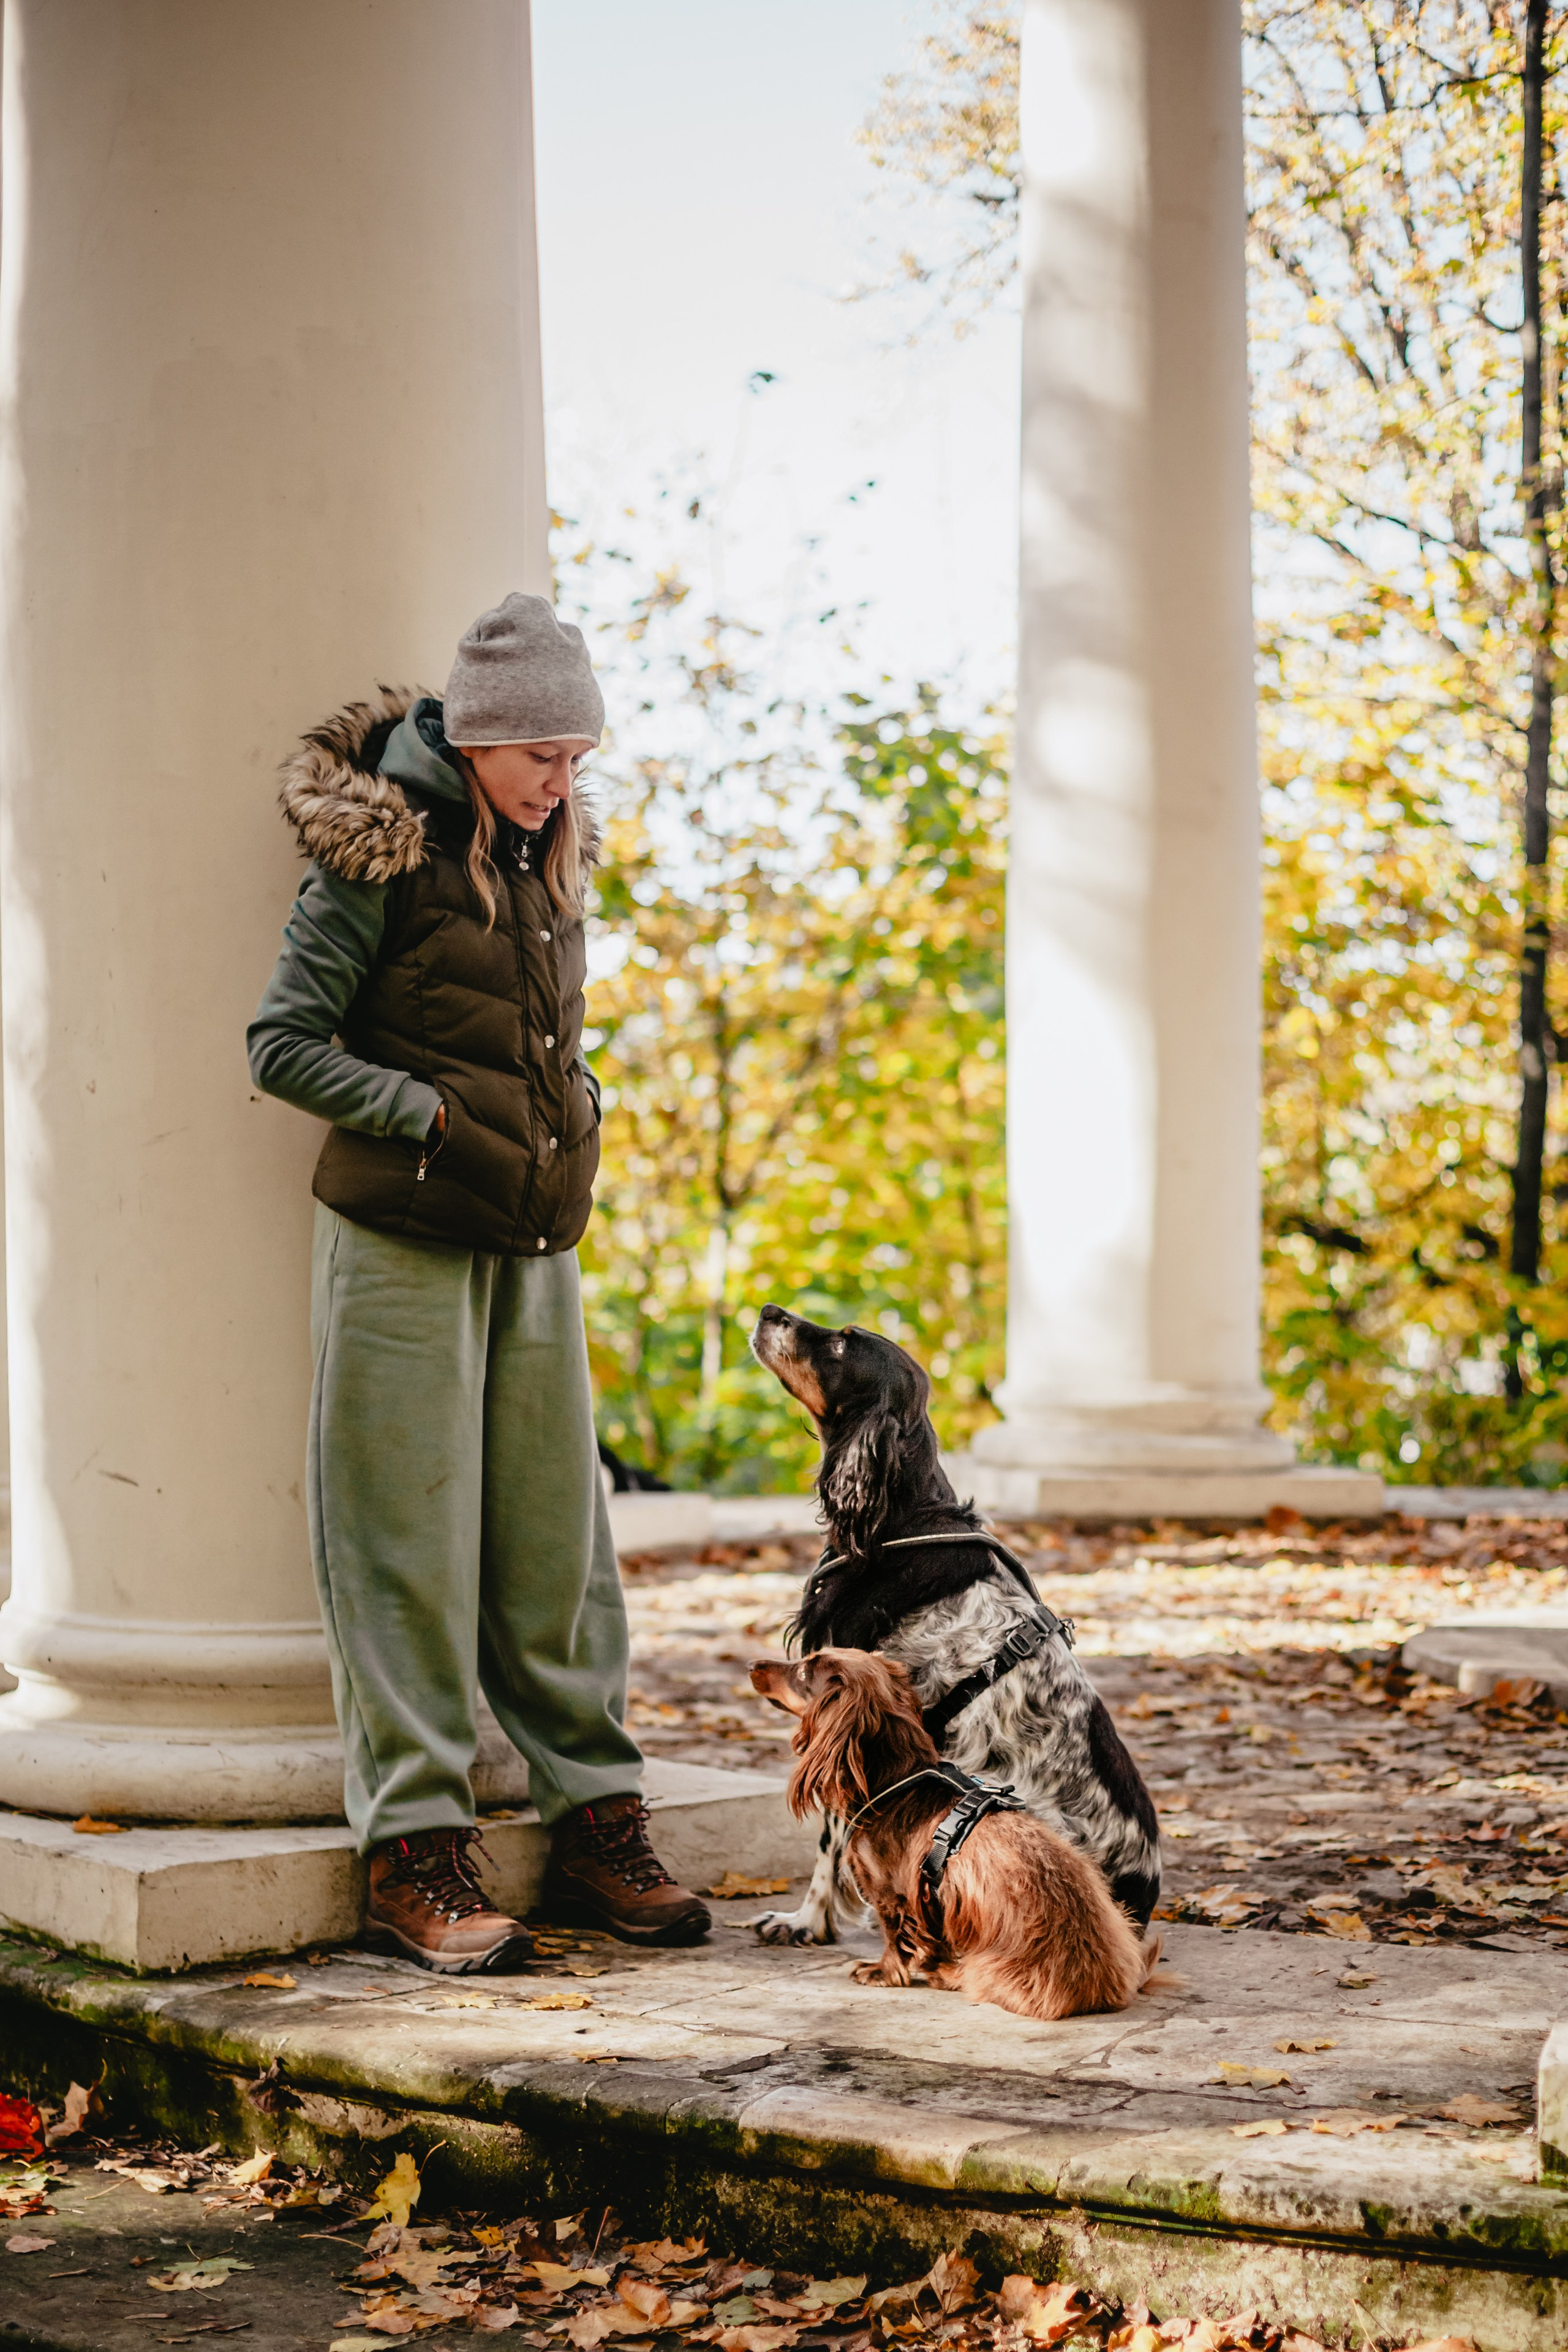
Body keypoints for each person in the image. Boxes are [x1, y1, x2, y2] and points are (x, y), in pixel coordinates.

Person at [247, 592, 710, 1972]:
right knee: (403, 1547)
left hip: (530, 1237)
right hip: (400, 1233)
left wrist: (569, 1117)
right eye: (542, 757)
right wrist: (428, 1118)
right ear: (477, 741)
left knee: (557, 1550)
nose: (562, 781)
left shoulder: (544, 857)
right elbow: (281, 1045)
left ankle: (595, 1826)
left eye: (578, 757)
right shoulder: (381, 852)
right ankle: (414, 1853)